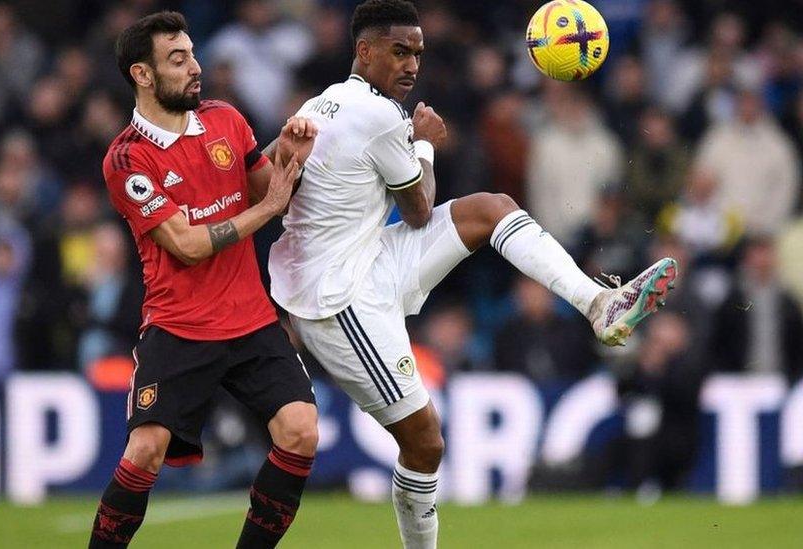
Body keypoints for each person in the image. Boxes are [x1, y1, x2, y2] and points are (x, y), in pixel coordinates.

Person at [267, 2, 678, 547]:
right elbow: (417, 209)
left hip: (367, 256)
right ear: (363, 51)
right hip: (339, 298)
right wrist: (424, 144)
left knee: (491, 208)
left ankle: (599, 305)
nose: (412, 64)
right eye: (399, 51)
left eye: (417, 51)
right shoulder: (379, 115)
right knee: (425, 443)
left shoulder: (322, 104)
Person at [88, 12, 319, 549]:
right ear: (142, 75)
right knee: (145, 450)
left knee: (301, 431)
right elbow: (187, 244)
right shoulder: (127, 158)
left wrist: (290, 154)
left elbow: (271, 189)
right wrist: (269, 205)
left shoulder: (225, 119)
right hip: (179, 326)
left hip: (250, 319)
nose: (196, 67)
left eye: (192, 54)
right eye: (177, 59)